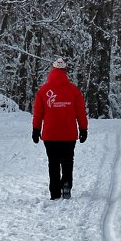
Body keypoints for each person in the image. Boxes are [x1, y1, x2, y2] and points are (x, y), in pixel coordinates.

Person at [32, 57, 89, 200]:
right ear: (65, 71)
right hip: (69, 134)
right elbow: (80, 111)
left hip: (50, 135)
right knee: (68, 161)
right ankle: (67, 184)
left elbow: (38, 113)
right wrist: (83, 129)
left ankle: (55, 192)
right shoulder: (73, 90)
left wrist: (36, 129)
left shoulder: (43, 90)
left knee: (53, 163)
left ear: (52, 71)